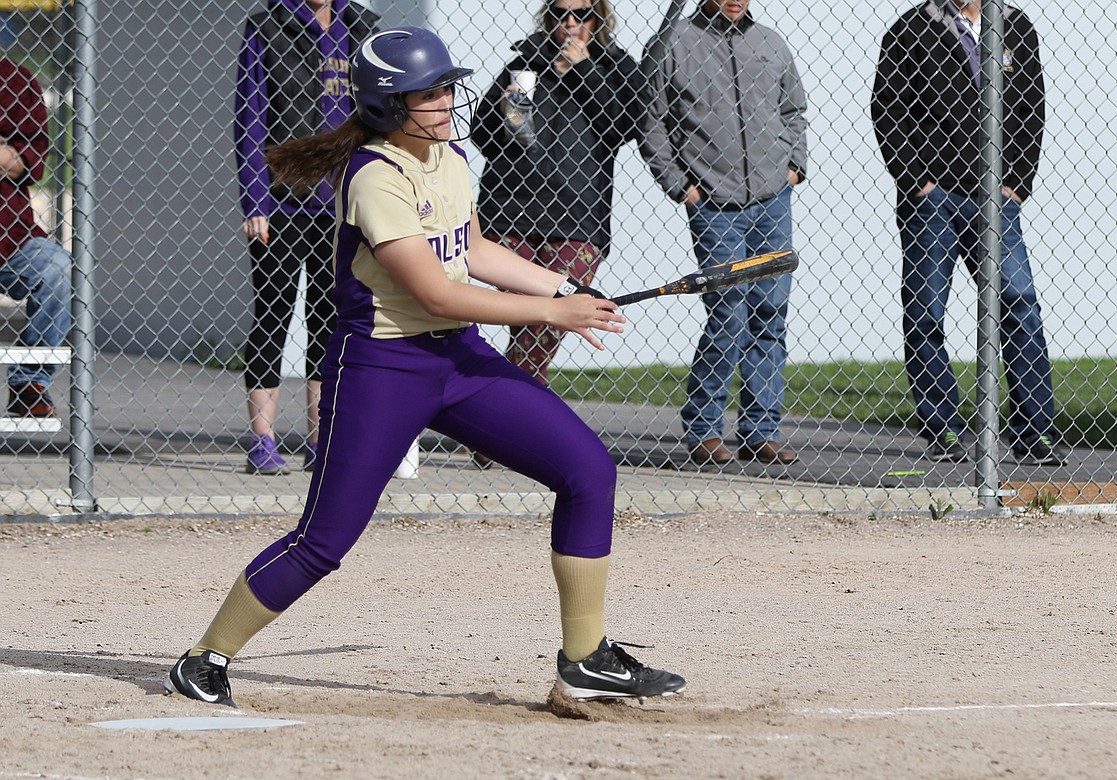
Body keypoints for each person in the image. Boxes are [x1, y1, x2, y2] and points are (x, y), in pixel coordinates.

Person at [164, 28, 685, 707]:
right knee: (324, 542)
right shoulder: (375, 175)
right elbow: (432, 291)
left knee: (588, 471)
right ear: (387, 104)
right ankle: (204, 659)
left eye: (446, 87)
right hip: (382, 366)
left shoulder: (451, 158)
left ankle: (585, 657)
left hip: (457, 359)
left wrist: (561, 288)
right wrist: (548, 315)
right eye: (428, 93)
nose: (446, 101)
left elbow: (470, 250)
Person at [871, 0, 1069, 466]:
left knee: (1019, 303)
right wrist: (917, 181)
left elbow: (1032, 108)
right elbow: (888, 110)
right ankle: (942, 429)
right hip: (933, 197)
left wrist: (1017, 182)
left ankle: (1034, 433)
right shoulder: (911, 28)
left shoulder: (1015, 25)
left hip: (997, 198)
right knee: (925, 311)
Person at [639, 0, 808, 468]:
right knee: (729, 311)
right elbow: (650, 122)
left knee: (770, 312)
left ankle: (761, 430)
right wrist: (680, 187)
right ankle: (704, 428)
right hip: (714, 203)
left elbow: (794, 110)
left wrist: (795, 167)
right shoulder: (673, 44)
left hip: (773, 198)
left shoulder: (770, 43)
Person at [234, 0, 379, 474]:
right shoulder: (267, 25)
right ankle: (263, 441)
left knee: (329, 317)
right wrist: (255, 200)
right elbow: (250, 118)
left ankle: (321, 439)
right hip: (281, 202)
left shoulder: (359, 27)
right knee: (273, 315)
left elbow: (377, 116)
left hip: (340, 204)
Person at [470, 0, 645, 387]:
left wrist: (583, 69)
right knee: (525, 314)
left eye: (582, 15)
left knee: (548, 319)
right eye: (561, 14)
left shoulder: (615, 65)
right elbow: (481, 134)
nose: (570, 23)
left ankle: (504, 409)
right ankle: (514, 417)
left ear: (599, 18)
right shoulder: (527, 60)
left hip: (578, 215)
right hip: (510, 208)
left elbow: (627, 124)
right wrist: (503, 112)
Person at [1, 57, 71, 419]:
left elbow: (29, 162)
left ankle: (29, 382)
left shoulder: (14, 79)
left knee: (59, 268)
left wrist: (9, 154)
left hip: (9, 235)